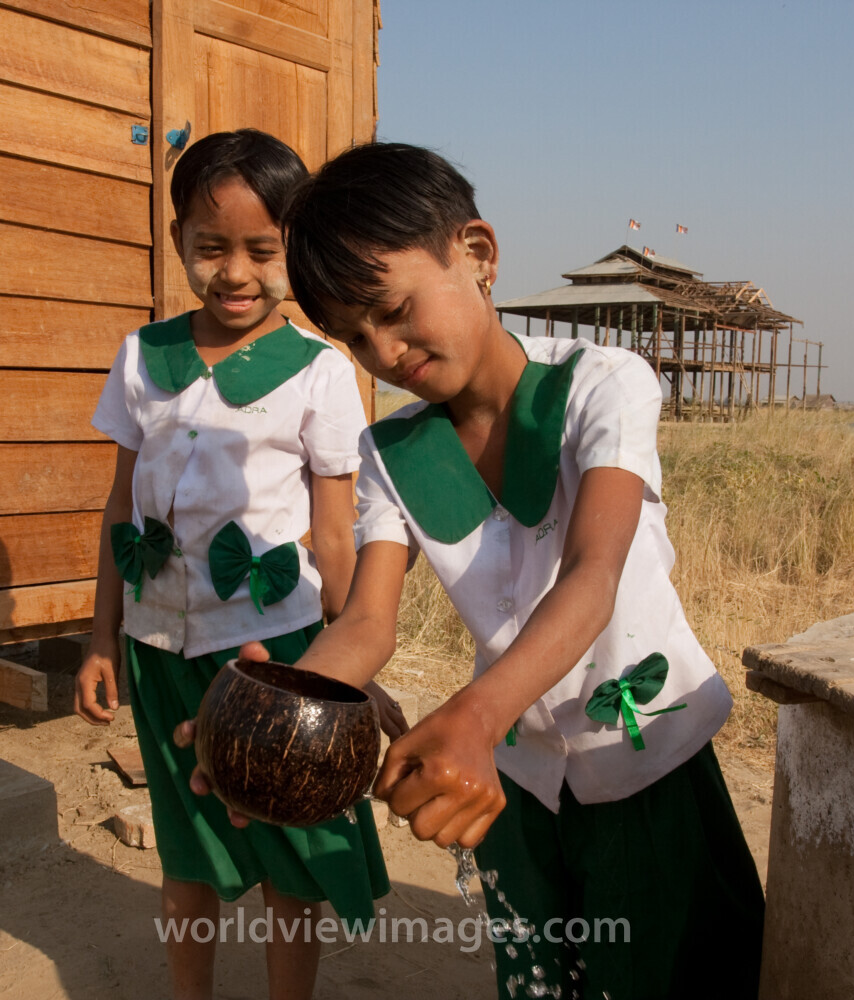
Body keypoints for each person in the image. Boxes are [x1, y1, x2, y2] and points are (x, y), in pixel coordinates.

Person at [199, 142, 765, 998]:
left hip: (648, 763)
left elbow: (593, 576)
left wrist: (473, 713)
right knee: (540, 982)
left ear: (477, 254)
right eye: (354, 337)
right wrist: (273, 726)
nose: (384, 351)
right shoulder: (391, 450)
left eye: (393, 310)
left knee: (672, 975)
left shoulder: (600, 385)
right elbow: (366, 624)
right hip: (513, 781)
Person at [74, 128, 396, 1000]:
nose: (236, 273)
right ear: (177, 238)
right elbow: (120, 505)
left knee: (290, 851)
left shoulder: (322, 372)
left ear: (295, 247)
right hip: (156, 649)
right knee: (186, 845)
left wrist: (345, 666)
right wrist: (103, 634)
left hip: (276, 655)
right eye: (210, 248)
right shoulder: (143, 358)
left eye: (263, 249)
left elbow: (336, 535)